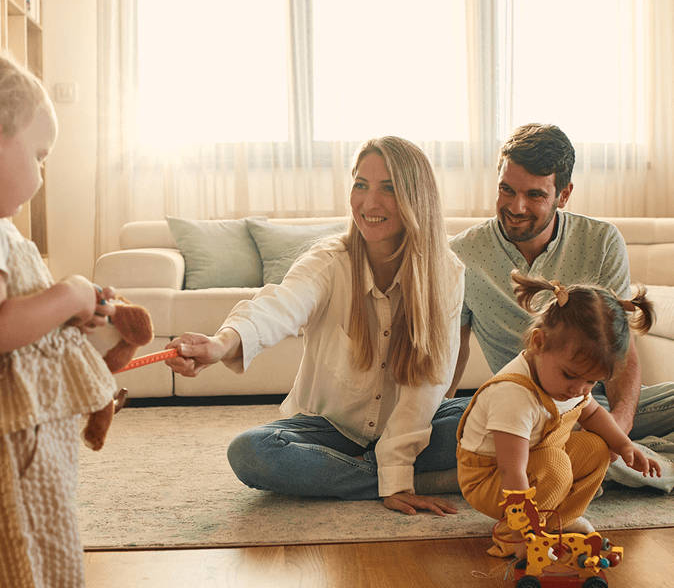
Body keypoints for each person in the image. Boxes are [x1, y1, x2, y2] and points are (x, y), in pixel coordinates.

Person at [166, 136, 465, 515]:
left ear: (416, 197)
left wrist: (396, 457)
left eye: (388, 188)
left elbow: (426, 389)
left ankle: (350, 474)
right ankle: (401, 481)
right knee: (252, 452)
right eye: (361, 185)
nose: (369, 202)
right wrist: (222, 343)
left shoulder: (445, 272)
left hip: (410, 428)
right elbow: (279, 306)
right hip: (328, 430)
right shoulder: (329, 260)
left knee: (487, 413)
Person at [439, 122, 674, 492]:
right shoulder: (462, 253)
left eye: (534, 195)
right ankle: (597, 463)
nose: (515, 207)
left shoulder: (601, 241)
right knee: (455, 427)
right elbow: (453, 349)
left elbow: (621, 352)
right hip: (520, 411)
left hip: (590, 401)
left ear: (563, 195)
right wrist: (437, 410)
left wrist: (617, 431)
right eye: (506, 189)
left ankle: (597, 461)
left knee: (614, 431)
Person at [0, 52, 121, 588]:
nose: (43, 174)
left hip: (24, 426)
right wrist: (71, 292)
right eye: (39, 154)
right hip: (16, 442)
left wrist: (69, 310)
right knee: (38, 560)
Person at [457, 271, 661, 556]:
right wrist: (520, 537)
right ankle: (514, 532)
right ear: (539, 343)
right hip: (490, 478)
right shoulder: (514, 395)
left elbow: (592, 412)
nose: (579, 389)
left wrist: (624, 445)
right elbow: (511, 470)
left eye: (592, 381)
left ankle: (556, 521)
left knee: (598, 449)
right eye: (570, 375)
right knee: (556, 466)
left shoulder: (571, 385)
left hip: (535, 460)